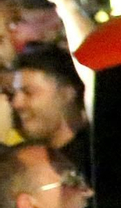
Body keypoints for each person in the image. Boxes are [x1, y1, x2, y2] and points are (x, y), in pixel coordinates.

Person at [9, 44, 92, 182]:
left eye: (28, 92)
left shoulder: (98, 155)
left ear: (66, 93)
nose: (17, 103)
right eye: (13, 94)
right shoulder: (21, 163)